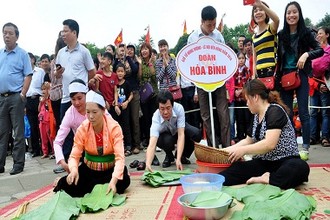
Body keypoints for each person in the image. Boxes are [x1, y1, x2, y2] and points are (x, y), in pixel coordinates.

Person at [220, 79, 310, 189]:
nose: (247, 103)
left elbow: (269, 144)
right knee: (234, 170)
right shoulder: (256, 116)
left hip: (285, 161)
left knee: (299, 167)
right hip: (264, 162)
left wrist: (244, 150)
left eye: (247, 99)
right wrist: (224, 151)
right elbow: (248, 140)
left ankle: (268, 179)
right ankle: (270, 179)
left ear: (255, 97)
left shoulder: (275, 111)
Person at [54, 90, 130, 197]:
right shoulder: (83, 128)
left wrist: (113, 181)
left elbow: (120, 158)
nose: (90, 116)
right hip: (90, 170)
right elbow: (74, 156)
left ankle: (106, 184)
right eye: (88, 112)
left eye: (94, 112)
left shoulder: (114, 127)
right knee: (68, 185)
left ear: (103, 111)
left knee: (123, 182)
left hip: (109, 170)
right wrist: (74, 170)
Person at [277, 1, 324, 160]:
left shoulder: (307, 33)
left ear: (299, 14)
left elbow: (320, 50)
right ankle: (290, 146)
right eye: (288, 13)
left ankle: (305, 147)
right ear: (285, 15)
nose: (291, 15)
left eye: (294, 12)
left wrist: (306, 55)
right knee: (287, 113)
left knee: (304, 112)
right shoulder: (281, 35)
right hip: (285, 76)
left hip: (302, 75)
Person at [55, 19, 96, 170]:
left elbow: (92, 72)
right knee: (65, 130)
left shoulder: (84, 51)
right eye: (62, 31)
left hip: (82, 97)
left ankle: (88, 158)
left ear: (74, 32)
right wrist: (58, 73)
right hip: (67, 97)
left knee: (87, 127)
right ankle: (65, 160)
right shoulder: (60, 53)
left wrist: (88, 92)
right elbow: (57, 76)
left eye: (65, 31)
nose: (63, 34)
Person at [187, 5, 230, 148]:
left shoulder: (218, 36)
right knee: (205, 115)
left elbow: (225, 59)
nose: (212, 28)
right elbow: (190, 65)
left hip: (219, 80)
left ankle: (227, 147)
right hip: (201, 82)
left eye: (214, 24)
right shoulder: (193, 37)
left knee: (223, 114)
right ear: (202, 21)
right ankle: (213, 147)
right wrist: (194, 90)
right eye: (209, 25)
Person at [0, 22, 32, 175]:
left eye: (10, 33)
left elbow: (28, 75)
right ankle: (0, 164)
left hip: (15, 97)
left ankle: (18, 164)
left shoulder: (22, 54)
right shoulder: (0, 54)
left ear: (16, 36)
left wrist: (23, 94)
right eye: (4, 33)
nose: (6, 36)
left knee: (18, 132)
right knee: (2, 132)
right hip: (1, 98)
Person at [146, 90, 202, 171]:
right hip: (166, 137)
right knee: (165, 140)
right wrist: (148, 163)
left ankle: (182, 155)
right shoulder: (156, 117)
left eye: (168, 108)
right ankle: (169, 156)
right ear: (158, 107)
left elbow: (181, 134)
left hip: (179, 130)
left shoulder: (179, 108)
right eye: (162, 109)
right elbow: (152, 144)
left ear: (172, 105)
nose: (165, 112)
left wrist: (178, 159)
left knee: (195, 134)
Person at [53, 79, 88, 173]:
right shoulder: (70, 114)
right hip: (83, 149)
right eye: (73, 99)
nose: (77, 103)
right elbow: (57, 142)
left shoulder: (96, 106)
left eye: (80, 98)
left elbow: (112, 128)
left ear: (86, 95)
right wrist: (62, 161)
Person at [114, 44, 141, 154]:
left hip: (132, 93)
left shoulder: (132, 61)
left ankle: (136, 145)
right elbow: (115, 69)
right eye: (125, 50)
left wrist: (128, 56)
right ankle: (124, 144)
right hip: (121, 98)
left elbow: (134, 70)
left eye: (131, 50)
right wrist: (118, 56)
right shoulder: (119, 63)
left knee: (134, 120)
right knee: (124, 122)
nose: (127, 51)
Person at [309, 27, 330, 147]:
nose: (318, 36)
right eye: (317, 34)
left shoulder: (329, 50)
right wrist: (317, 84)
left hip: (326, 86)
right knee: (312, 112)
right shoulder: (313, 50)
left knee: (325, 112)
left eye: (321, 33)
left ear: (327, 35)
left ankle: (325, 137)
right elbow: (308, 72)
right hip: (313, 86)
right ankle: (313, 137)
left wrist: (325, 83)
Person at [252, 0, 279, 82]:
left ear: (266, 14)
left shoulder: (271, 28)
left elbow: (277, 20)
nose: (258, 12)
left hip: (272, 71)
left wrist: (262, 5)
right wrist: (254, 75)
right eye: (255, 11)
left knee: (273, 95)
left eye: (261, 10)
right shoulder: (254, 37)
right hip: (260, 74)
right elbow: (254, 59)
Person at [25, 52, 45, 157]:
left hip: (38, 99)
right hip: (28, 100)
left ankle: (45, 148)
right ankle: (35, 149)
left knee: (41, 125)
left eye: (29, 59)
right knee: (32, 126)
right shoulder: (23, 73)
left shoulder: (40, 71)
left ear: (33, 60)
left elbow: (44, 86)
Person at [38, 82, 56, 159]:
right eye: (42, 89)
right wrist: (41, 102)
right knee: (43, 137)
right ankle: (45, 151)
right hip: (42, 121)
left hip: (49, 120)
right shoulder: (42, 100)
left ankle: (54, 151)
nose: (43, 91)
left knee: (51, 137)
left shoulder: (50, 100)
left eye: (45, 89)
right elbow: (38, 110)